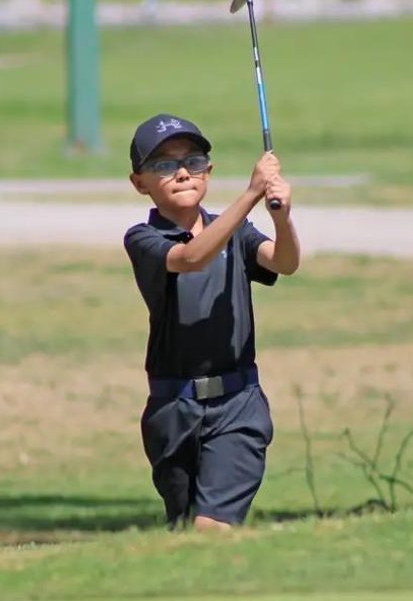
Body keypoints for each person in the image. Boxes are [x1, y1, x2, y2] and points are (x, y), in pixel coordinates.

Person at [123, 113, 301, 530]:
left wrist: (281, 216)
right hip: (173, 408)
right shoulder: (143, 239)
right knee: (185, 530)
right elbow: (191, 257)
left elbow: (285, 262)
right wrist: (251, 193)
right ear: (139, 183)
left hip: (237, 404)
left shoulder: (237, 232)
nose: (183, 173)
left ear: (209, 171)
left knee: (212, 527)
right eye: (164, 165)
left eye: (194, 161)